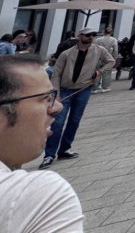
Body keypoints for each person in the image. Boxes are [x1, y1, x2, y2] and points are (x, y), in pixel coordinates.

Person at [0, 55, 85, 231]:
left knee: (71, 123)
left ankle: (61, 149)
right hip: (69, 88)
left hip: (82, 89)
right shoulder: (38, 195)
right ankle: (51, 154)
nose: (56, 107)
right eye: (45, 98)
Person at [41, 27, 116, 170]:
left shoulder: (98, 50)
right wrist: (55, 92)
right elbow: (56, 73)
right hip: (64, 90)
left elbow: (111, 61)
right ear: (79, 36)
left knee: (74, 121)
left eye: (93, 35)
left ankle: (64, 149)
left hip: (83, 89)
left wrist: (99, 72)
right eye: (87, 35)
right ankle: (49, 154)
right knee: (58, 123)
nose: (90, 37)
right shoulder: (67, 53)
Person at [93, 27, 119, 93]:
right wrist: (114, 58)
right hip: (108, 58)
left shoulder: (98, 39)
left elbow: (94, 48)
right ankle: (105, 87)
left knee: (97, 71)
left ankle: (95, 88)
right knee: (107, 72)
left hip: (98, 57)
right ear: (111, 32)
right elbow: (115, 50)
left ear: (104, 32)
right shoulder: (113, 40)